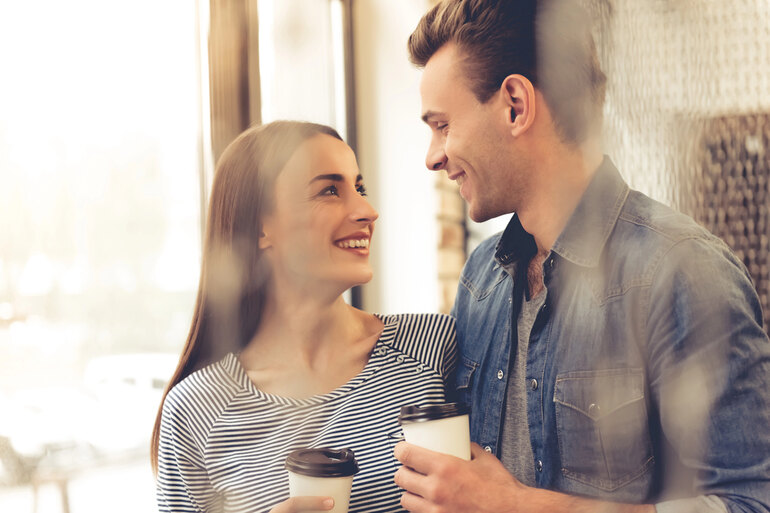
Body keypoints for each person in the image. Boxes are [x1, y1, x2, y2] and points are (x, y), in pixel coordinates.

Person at [393, 1, 770, 512]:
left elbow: (751, 501)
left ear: (515, 106)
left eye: (442, 125)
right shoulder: (481, 279)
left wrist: (516, 506)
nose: (432, 156)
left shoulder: (682, 271)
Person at [151, 121, 457, 513]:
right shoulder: (196, 411)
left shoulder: (434, 348)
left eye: (358, 188)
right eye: (329, 191)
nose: (367, 210)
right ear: (262, 228)